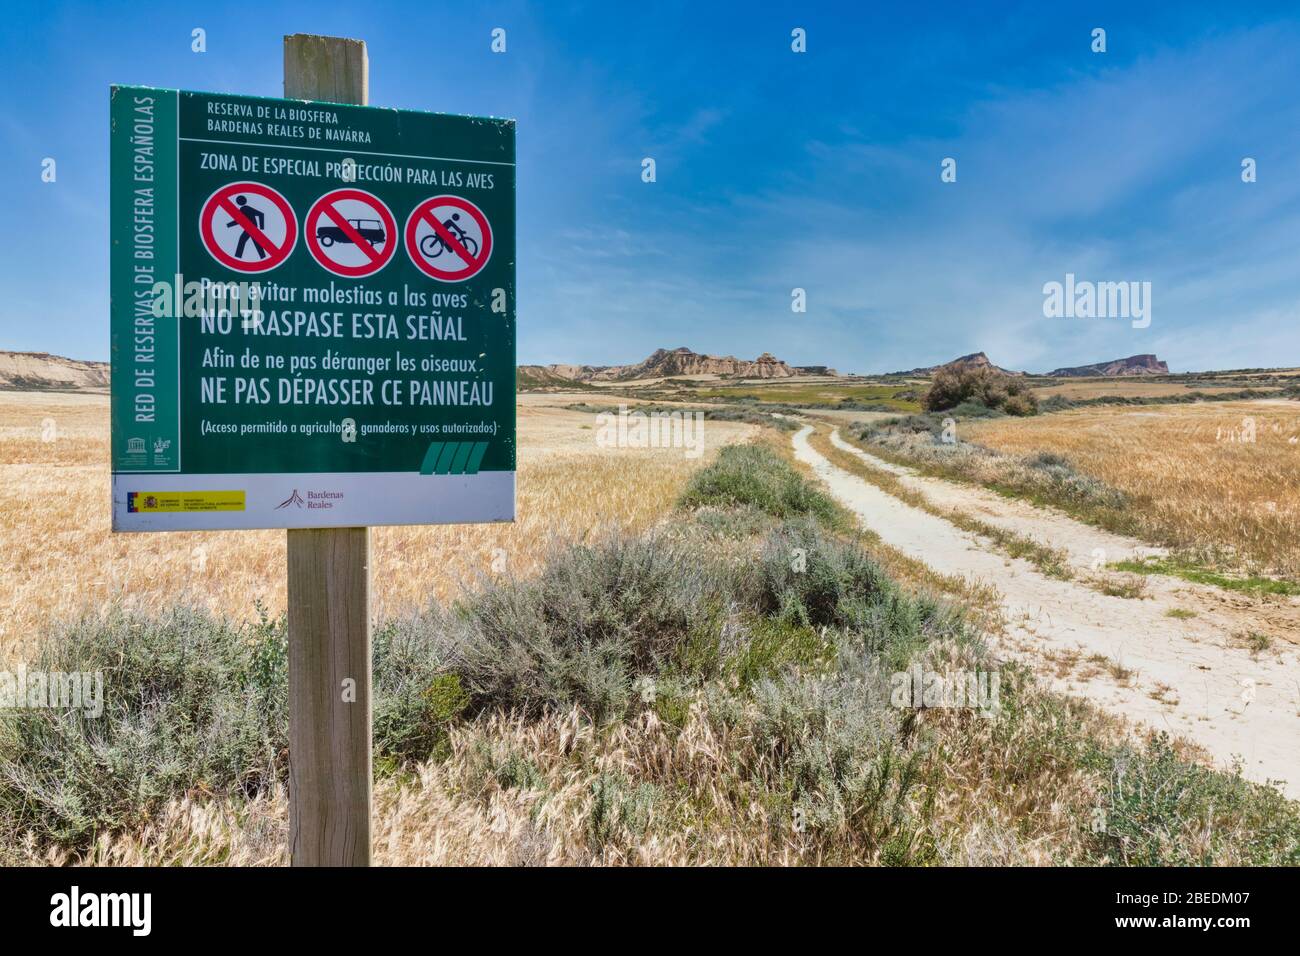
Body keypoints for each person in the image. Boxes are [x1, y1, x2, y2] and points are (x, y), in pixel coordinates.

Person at [227, 195, 266, 259]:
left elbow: (240, 220)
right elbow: (241, 220)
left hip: (251, 228)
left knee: (242, 240)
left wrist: (262, 227)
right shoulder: (245, 208)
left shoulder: (245, 208)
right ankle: (263, 257)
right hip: (251, 228)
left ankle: (238, 256)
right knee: (256, 242)